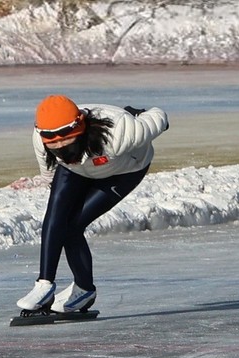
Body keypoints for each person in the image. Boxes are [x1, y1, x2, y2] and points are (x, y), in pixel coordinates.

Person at [17, 94, 169, 313]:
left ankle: (84, 290)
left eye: (67, 147)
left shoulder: (121, 133)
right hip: (77, 170)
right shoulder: (41, 139)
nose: (62, 152)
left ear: (80, 132)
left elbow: (160, 117)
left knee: (73, 227)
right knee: (55, 216)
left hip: (123, 171)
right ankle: (44, 284)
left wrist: (140, 114)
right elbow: (51, 175)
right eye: (56, 149)